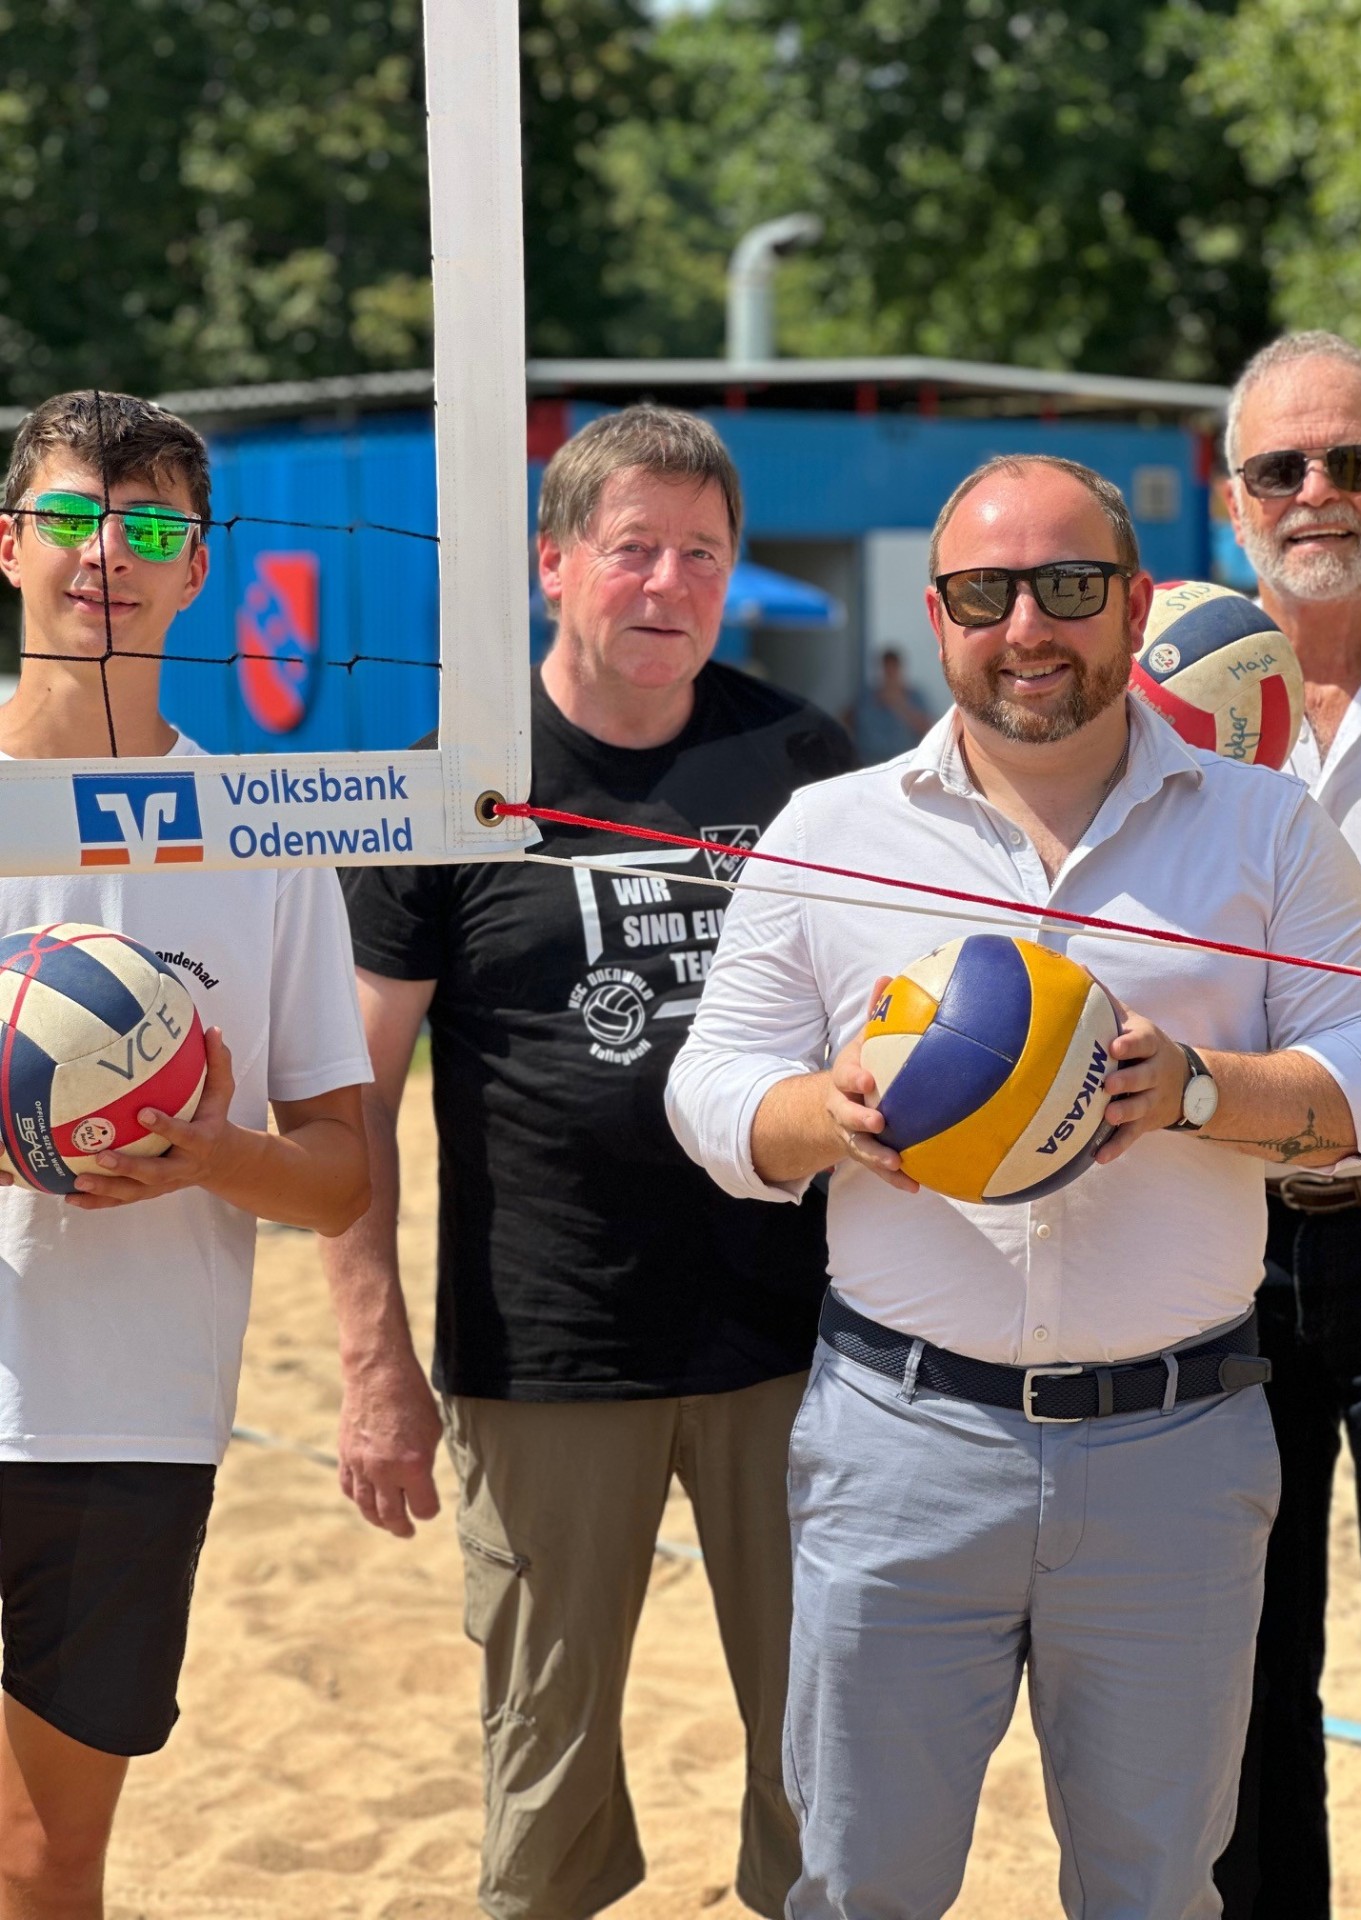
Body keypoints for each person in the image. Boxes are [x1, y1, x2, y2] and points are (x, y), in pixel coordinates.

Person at [666, 452, 1361, 1920]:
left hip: (1176, 1448)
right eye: (985, 593)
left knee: (1153, 1890)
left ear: (1135, 607)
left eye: (1071, 588)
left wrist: (1200, 1089)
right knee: (863, 1887)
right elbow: (707, 1092)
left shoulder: (1263, 826)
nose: (1029, 627)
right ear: (943, 616)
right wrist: (822, 1116)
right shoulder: (831, 831)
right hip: (899, 1442)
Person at [321, 405, 854, 1920]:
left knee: (825, 1773)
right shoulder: (453, 778)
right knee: (544, 1795)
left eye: (702, 555)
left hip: (792, 1345)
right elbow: (358, 1095)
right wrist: (376, 1366)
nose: (667, 585)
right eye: (632, 551)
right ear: (554, 563)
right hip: (550, 1348)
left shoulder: (797, 755)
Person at [0, 389, 371, 1917]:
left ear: (200, 567)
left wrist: (214, 1152)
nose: (111, 553)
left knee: (44, 1857)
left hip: (127, 1418)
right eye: (77, 516)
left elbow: (341, 1169)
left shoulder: (263, 827)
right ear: (8, 542)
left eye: (152, 527)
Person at [1211, 333, 1361, 1920]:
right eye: (1281, 468)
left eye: (1353, 462)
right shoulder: (1148, 713)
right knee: (1238, 1672)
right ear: (1230, 505)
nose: (1318, 494)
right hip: (1208, 1237)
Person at [847, 646, 932, 763]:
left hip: (903, 763)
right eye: (887, 669)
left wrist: (899, 704)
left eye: (893, 669)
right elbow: (848, 720)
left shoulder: (914, 697)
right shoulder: (866, 696)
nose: (890, 674)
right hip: (870, 762)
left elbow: (928, 729)